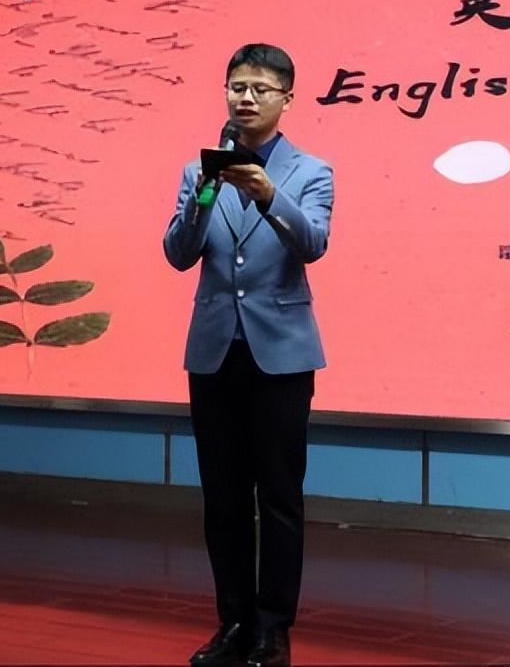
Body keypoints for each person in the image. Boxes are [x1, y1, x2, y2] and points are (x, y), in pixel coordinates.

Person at [163, 42, 334, 667]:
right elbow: (178, 253)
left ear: (287, 98)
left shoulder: (311, 172)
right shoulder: (198, 172)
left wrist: (267, 194)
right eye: (237, 87)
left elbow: (313, 243)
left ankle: (273, 629)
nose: (246, 98)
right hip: (214, 354)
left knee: (279, 498)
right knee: (223, 497)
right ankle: (232, 622)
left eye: (261, 89)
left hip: (281, 357)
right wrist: (205, 194)